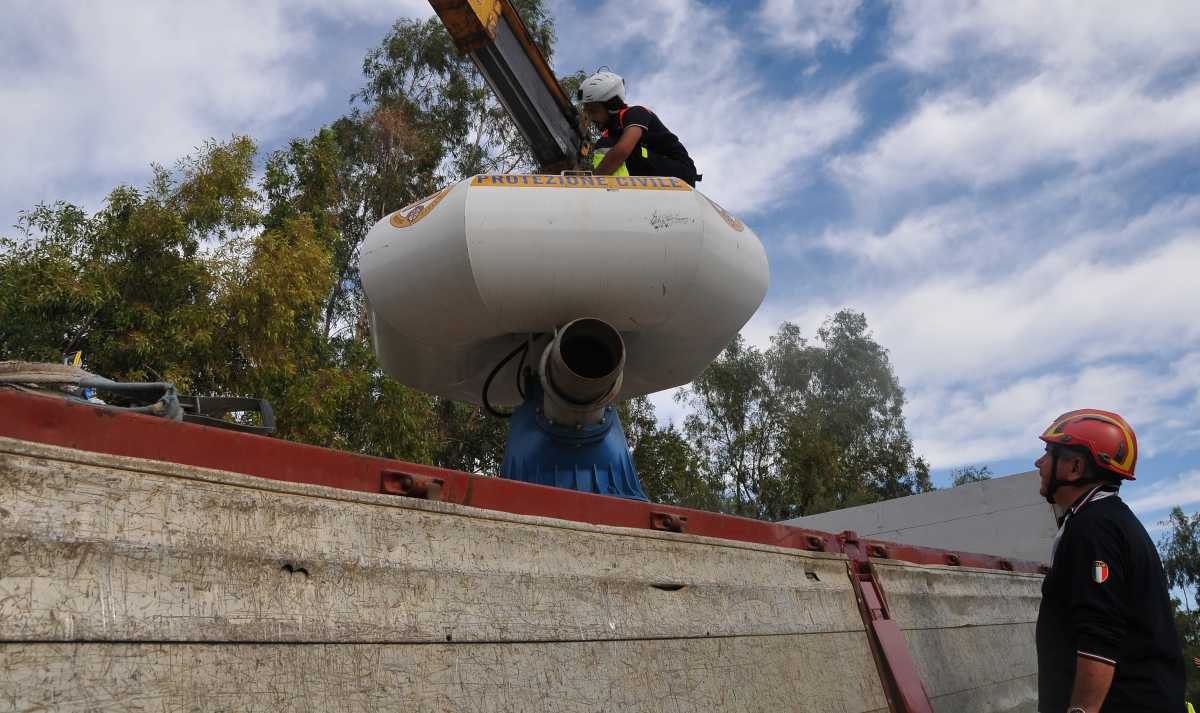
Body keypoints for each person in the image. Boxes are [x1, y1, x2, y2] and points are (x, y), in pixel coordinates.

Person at [1034, 409, 1186, 712]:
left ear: (1075, 467)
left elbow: (1098, 638)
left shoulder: (1094, 528)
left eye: (1049, 452)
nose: (1039, 463)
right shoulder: (1109, 521)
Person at [576, 70, 699, 186]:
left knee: (613, 148)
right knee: (604, 145)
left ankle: (613, 190)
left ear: (611, 106)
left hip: (681, 173)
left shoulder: (635, 113)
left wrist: (592, 184)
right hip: (655, 170)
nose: (591, 117)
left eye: (594, 111)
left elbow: (623, 150)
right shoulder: (609, 135)